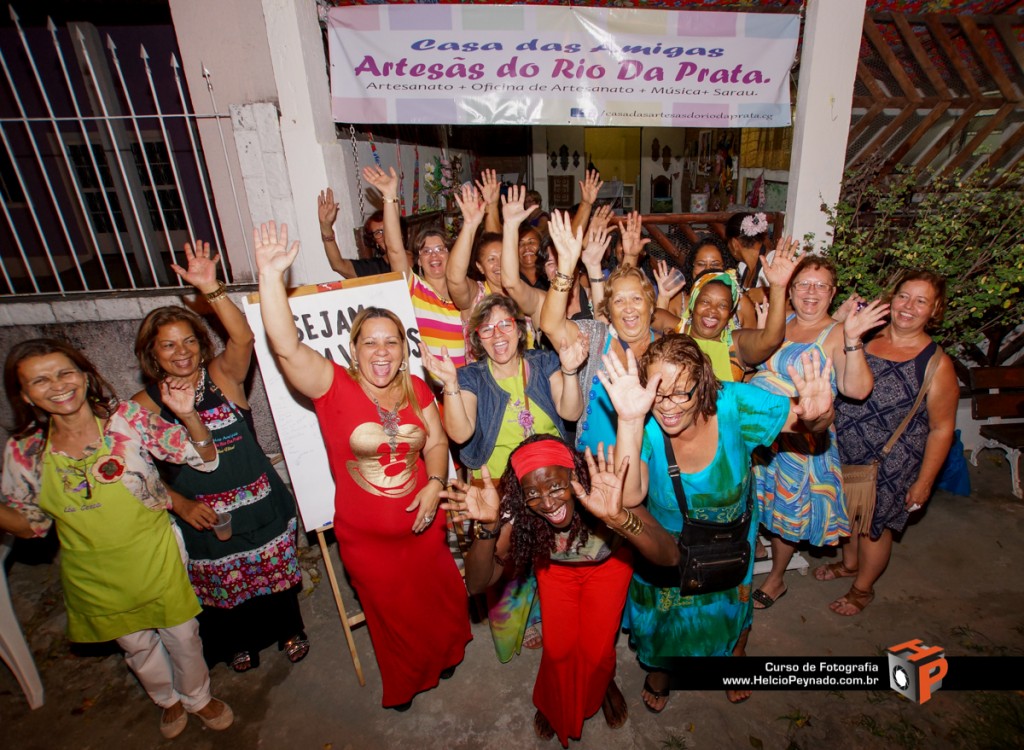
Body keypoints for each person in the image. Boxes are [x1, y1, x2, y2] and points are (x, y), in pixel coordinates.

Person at [252, 220, 470, 710]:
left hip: (425, 528)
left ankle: (446, 654)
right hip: (369, 542)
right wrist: (270, 277)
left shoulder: (416, 387)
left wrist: (436, 483)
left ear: (403, 347)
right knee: (391, 617)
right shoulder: (334, 388)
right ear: (353, 350)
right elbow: (285, 345)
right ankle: (406, 682)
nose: (382, 351)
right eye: (370, 342)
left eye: (391, 341)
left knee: (439, 601)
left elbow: (435, 441)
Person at [0, 339, 233, 739]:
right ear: (25, 395)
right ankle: (167, 700)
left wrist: (188, 416)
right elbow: (31, 525)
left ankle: (197, 696)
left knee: (182, 635)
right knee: (137, 647)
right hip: (93, 570)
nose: (58, 385)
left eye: (65, 372)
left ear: (85, 376)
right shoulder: (25, 452)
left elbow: (204, 457)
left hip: (155, 552)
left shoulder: (127, 419)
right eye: (40, 380)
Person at [602, 333, 836, 711]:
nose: (668, 407)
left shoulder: (733, 404)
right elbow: (629, 498)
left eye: (682, 392)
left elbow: (808, 422)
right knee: (663, 620)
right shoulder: (643, 421)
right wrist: (629, 420)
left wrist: (820, 414)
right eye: (659, 392)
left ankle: (734, 656)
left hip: (730, 540)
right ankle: (662, 670)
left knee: (730, 608)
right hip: (669, 551)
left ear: (705, 384)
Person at [132, 240, 306, 672]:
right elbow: (134, 473)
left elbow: (243, 336)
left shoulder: (222, 377)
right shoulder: (143, 405)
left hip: (258, 502)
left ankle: (288, 630)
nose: (182, 352)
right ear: (152, 353)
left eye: (189, 341)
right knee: (222, 586)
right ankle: (237, 642)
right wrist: (180, 503)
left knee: (274, 578)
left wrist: (211, 289)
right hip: (205, 515)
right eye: (168, 346)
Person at [440, 435, 679, 747]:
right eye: (533, 494)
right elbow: (477, 584)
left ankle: (603, 682)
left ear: (573, 476)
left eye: (555, 486)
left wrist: (619, 517)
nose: (548, 503)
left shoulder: (603, 489)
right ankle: (552, 702)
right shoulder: (517, 511)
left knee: (597, 651)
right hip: (556, 573)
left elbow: (671, 557)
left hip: (608, 568)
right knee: (559, 650)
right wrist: (488, 528)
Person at [423, 293, 586, 659]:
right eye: (486, 329)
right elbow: (461, 434)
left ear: (520, 328)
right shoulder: (470, 377)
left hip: (552, 479)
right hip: (500, 487)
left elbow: (570, 412)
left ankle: (561, 616)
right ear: (477, 338)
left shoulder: (545, 362)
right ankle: (519, 621)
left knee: (566, 554)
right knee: (501, 562)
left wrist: (571, 371)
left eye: (505, 324)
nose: (497, 334)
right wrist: (449, 384)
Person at [748, 255, 888, 609]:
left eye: (820, 285)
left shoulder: (838, 333)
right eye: (803, 284)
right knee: (758, 504)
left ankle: (777, 579)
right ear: (791, 291)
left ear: (832, 293)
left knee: (785, 516)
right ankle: (754, 556)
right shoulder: (784, 320)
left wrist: (853, 339)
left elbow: (857, 390)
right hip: (762, 440)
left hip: (800, 445)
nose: (811, 292)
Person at [821, 271, 957, 614]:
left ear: (934, 309)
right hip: (845, 447)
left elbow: (942, 428)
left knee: (874, 528)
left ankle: (862, 589)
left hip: (891, 462)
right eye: (903, 296)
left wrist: (924, 483)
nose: (908, 306)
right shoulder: (865, 338)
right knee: (849, 515)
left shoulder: (936, 364)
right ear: (891, 299)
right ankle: (849, 565)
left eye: (921, 301)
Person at [539, 210, 658, 454]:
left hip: (647, 470)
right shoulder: (596, 336)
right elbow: (551, 325)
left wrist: (631, 257)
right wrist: (565, 266)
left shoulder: (665, 348)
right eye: (618, 302)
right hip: (592, 465)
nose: (628, 309)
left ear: (651, 303)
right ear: (608, 310)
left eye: (637, 299)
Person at [363, 165, 468, 370]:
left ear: (451, 254)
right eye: (426, 251)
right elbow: (394, 250)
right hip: (431, 390)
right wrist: (390, 196)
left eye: (440, 249)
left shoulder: (466, 291)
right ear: (418, 260)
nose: (434, 255)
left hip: (468, 386)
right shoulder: (415, 288)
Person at [675, 237, 798, 382]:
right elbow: (645, 317)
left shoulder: (735, 342)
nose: (712, 310)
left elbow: (770, 339)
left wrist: (778, 288)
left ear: (731, 312)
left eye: (722, 305)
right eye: (705, 301)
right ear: (693, 304)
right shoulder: (678, 330)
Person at [318, 190, 412, 278]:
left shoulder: (422, 255)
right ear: (375, 241)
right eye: (378, 232)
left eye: (387, 229)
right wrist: (326, 227)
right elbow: (338, 265)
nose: (384, 235)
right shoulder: (374, 268)